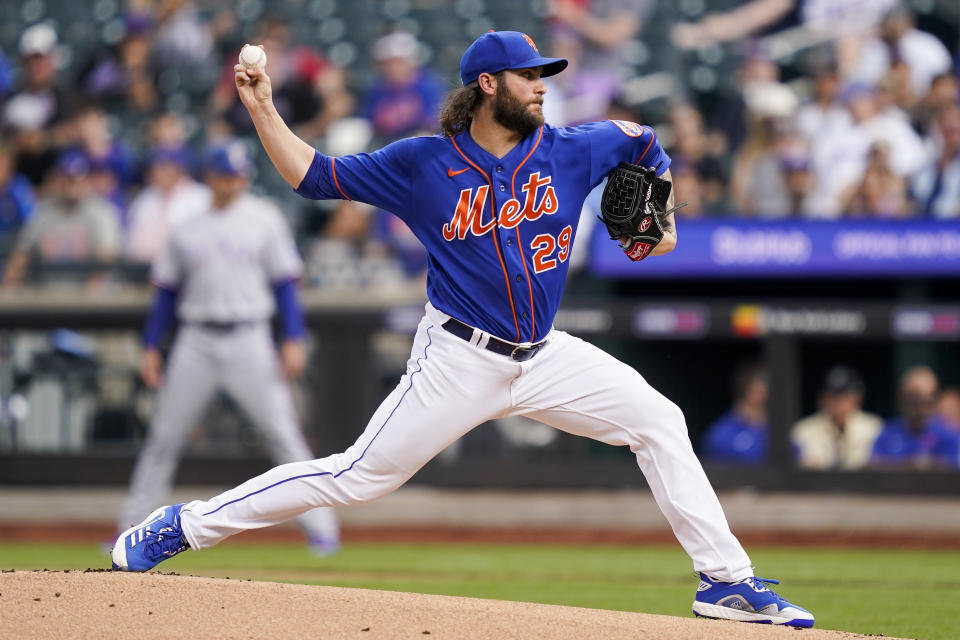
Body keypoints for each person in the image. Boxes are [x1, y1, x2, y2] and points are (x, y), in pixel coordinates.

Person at [111, 31, 814, 628]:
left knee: (659, 419)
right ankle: (184, 526)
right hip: (457, 360)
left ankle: (723, 579)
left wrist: (653, 216)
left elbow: (642, 139)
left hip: (544, 355)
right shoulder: (424, 163)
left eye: (545, 77)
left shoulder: (574, 148)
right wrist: (263, 107)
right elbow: (312, 175)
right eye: (528, 77)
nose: (541, 87)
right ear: (488, 85)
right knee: (356, 477)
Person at [114, 139, 339, 554]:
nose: (233, 182)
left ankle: (322, 530)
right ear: (209, 177)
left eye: (239, 175)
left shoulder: (264, 217)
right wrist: (150, 345)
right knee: (163, 438)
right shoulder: (186, 224)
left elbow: (286, 284)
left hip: (250, 337)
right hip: (195, 340)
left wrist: (292, 337)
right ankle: (129, 527)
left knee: (283, 434)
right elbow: (165, 292)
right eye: (225, 174)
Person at [2, 149, 121, 290]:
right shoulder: (43, 212)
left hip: (88, 301)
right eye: (66, 178)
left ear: (87, 180)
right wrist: (7, 289)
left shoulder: (100, 211)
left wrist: (88, 301)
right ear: (57, 179)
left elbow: (106, 258)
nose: (71, 184)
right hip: (46, 298)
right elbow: (22, 254)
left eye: (76, 178)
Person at [791, 366, 882, 470]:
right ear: (822, 398)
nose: (839, 402)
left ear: (858, 398)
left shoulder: (874, 427)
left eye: (845, 396)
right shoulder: (804, 429)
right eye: (833, 396)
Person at [870, 366, 959, 470]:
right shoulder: (887, 432)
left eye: (930, 397)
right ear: (902, 397)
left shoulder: (948, 436)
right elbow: (873, 465)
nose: (923, 406)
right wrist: (911, 464)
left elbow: (952, 470)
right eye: (916, 397)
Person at [701, 364, 769, 464]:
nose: (767, 394)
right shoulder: (722, 433)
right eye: (761, 388)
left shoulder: (776, 431)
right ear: (750, 391)